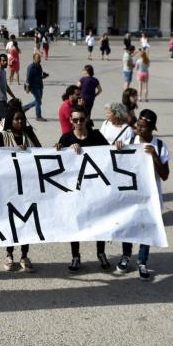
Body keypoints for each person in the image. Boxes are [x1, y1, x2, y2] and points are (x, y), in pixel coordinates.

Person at [117, 109, 170, 279]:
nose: (138, 129)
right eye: (137, 125)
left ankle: (142, 261)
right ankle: (126, 256)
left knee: (146, 228)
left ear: (152, 128)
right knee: (128, 225)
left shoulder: (159, 146)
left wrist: (154, 156)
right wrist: (118, 149)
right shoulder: (130, 140)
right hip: (132, 194)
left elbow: (165, 175)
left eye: (143, 127)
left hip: (150, 196)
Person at [56, 106, 107, 272]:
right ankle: (75, 256)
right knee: (75, 221)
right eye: (75, 120)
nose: (78, 123)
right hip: (75, 189)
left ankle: (101, 253)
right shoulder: (66, 137)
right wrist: (63, 149)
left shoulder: (96, 136)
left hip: (95, 187)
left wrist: (119, 146)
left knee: (99, 220)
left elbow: (109, 154)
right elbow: (57, 159)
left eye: (82, 119)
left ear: (87, 119)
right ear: (70, 121)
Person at [0, 108, 40, 272]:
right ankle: (9, 254)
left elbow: (41, 152)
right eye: (16, 119)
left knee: (27, 221)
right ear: (10, 120)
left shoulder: (29, 135)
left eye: (22, 119)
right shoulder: (3, 136)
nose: (20, 122)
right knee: (10, 221)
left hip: (27, 185)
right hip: (9, 186)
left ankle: (24, 255)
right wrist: (14, 152)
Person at [22, 52, 48, 121]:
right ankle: (38, 116)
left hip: (40, 86)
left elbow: (39, 76)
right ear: (33, 59)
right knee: (38, 101)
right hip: (33, 87)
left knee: (38, 101)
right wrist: (27, 87)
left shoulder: (39, 66)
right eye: (37, 58)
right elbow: (28, 78)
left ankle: (24, 108)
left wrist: (44, 76)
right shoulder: (31, 67)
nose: (39, 60)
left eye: (39, 58)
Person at [0, 54, 16, 120]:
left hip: (3, 99)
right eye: (3, 61)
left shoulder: (4, 72)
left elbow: (6, 86)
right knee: (5, 118)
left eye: (6, 60)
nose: (6, 62)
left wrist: (13, 96)